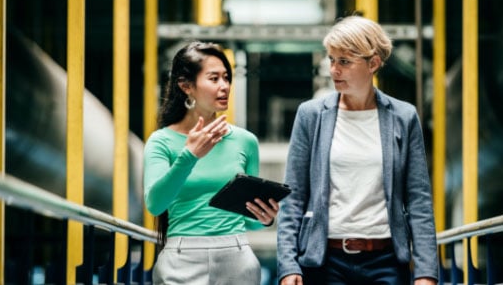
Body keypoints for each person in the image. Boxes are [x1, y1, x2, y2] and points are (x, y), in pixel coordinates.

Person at [277, 15, 438, 284]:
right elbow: (293, 196)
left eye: (344, 62)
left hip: (385, 261)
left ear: (373, 63)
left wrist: (426, 272)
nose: (333, 70)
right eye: (331, 59)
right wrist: (288, 264)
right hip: (326, 262)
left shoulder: (403, 116)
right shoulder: (311, 115)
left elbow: (418, 199)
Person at [143, 41, 279, 285]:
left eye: (226, 78)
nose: (224, 86)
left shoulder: (245, 141)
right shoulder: (161, 141)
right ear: (186, 86)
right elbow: (155, 204)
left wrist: (265, 218)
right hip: (181, 259)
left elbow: (249, 222)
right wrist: (189, 156)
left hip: (236, 256)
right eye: (214, 78)